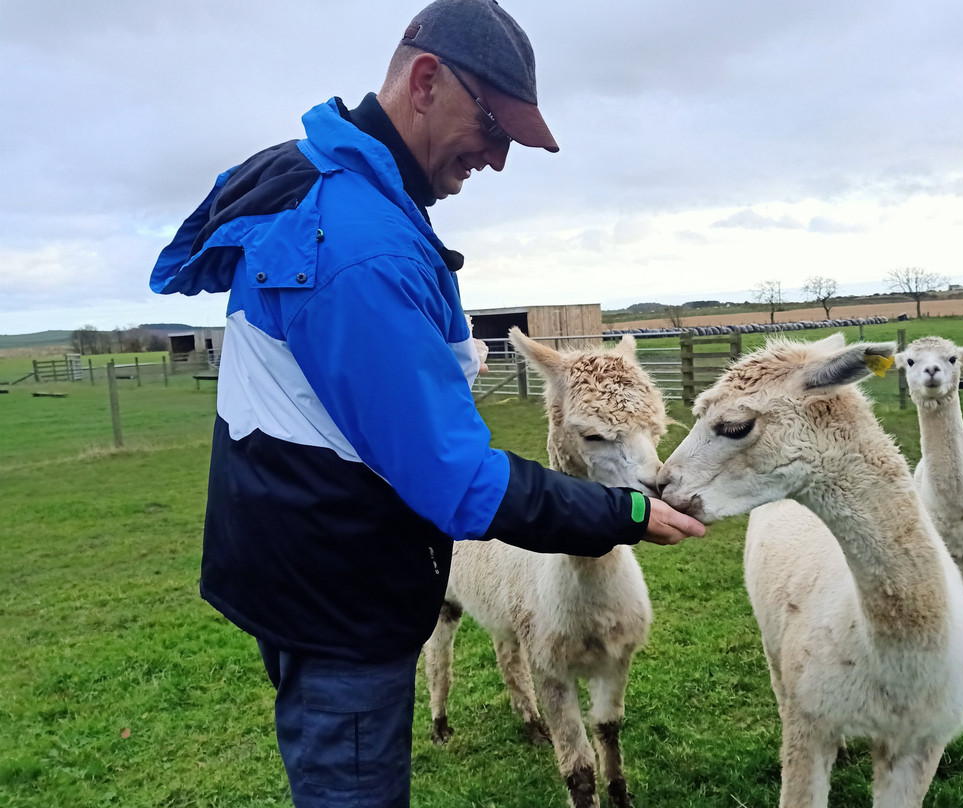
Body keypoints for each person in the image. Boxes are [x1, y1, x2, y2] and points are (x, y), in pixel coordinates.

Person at [149, 1, 705, 806]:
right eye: (493, 127)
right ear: (424, 81)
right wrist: (621, 515)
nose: (500, 158)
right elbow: (456, 482)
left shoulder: (322, 187)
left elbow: (352, 398)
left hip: (296, 563)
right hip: (341, 600)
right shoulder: (360, 247)